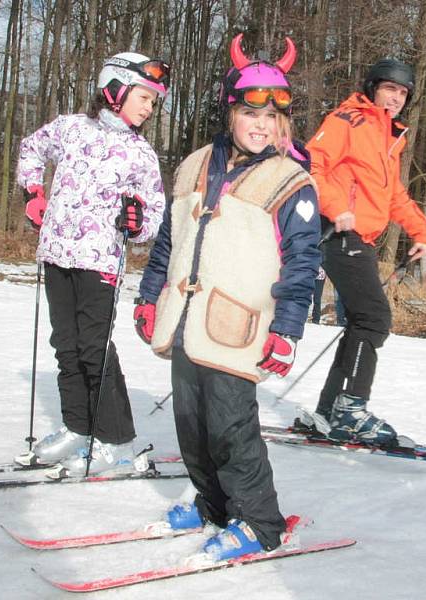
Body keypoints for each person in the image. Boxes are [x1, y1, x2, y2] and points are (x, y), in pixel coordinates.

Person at [135, 33, 320, 561]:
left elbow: (303, 264)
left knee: (231, 428)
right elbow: (170, 241)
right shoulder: (193, 165)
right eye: (249, 114)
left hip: (241, 326)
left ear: (282, 122)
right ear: (231, 111)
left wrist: (287, 330)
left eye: (271, 118)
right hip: (185, 318)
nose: (260, 126)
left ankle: (261, 523)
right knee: (190, 423)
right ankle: (213, 503)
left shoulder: (292, 181)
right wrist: (150, 296)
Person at [15, 51, 170, 473]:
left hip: (100, 260)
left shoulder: (141, 154)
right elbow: (30, 149)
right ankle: (77, 428)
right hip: (56, 254)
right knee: (65, 346)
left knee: (93, 349)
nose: (149, 107)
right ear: (115, 87)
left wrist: (138, 222)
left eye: (154, 102)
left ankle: (116, 440)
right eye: (145, 96)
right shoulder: (70, 128)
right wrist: (33, 192)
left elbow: (155, 215)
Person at [303, 58, 426, 446]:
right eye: (390, 89)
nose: (396, 98)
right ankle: (351, 409)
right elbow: (311, 164)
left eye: (403, 93)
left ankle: (331, 410)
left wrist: (422, 230)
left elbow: (393, 195)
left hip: (362, 239)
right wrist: (334, 207)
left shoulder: (388, 137)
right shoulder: (347, 120)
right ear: (374, 87)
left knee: (362, 323)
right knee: (375, 319)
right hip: (339, 233)